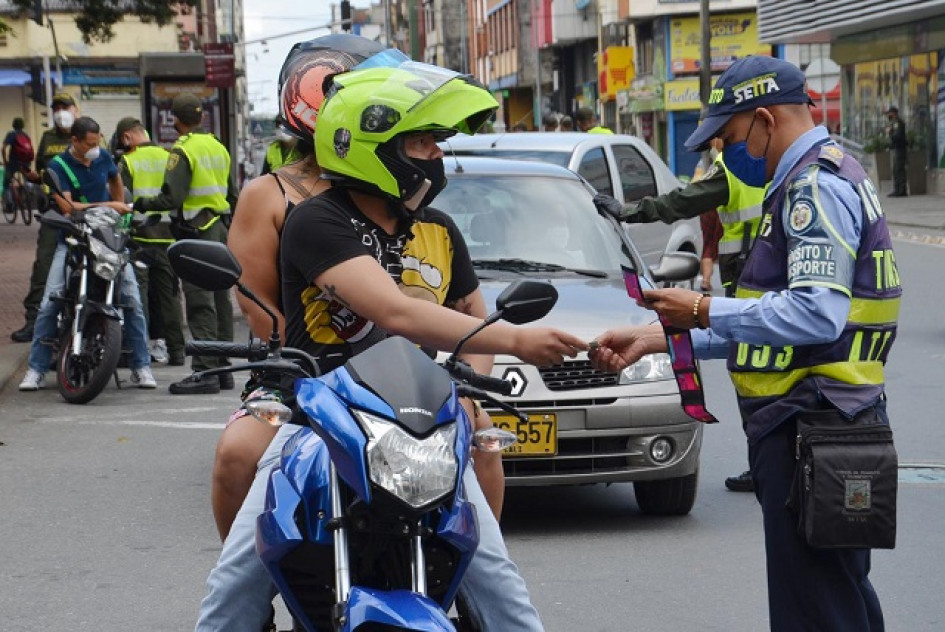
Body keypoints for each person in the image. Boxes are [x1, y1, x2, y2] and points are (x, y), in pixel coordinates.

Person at [195, 60, 587, 632]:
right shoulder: (315, 221)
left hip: (419, 425)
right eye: (422, 141)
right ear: (374, 146)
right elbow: (397, 312)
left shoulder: (440, 230)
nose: (435, 156)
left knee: (501, 590)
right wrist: (521, 341)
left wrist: (472, 388)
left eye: (436, 141)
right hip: (317, 422)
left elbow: (471, 315)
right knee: (233, 590)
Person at [590, 56, 900, 632]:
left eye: (733, 138)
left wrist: (701, 307)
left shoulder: (813, 189)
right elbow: (766, 323)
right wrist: (657, 336)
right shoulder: (825, 175)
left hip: (813, 426)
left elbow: (816, 313)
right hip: (828, 423)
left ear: (764, 119)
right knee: (836, 599)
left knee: (817, 609)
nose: (735, 154)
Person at [18, 116, 156, 391]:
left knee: (132, 301)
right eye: (90, 144)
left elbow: (117, 184)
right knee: (50, 302)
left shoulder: (104, 157)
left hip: (108, 241)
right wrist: (111, 204)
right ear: (75, 141)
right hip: (72, 240)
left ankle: (142, 366)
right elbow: (69, 207)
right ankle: (36, 369)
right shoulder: (58, 166)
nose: (95, 148)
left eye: (97, 142)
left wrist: (120, 207)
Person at [134, 92, 239, 395]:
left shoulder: (182, 151)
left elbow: (172, 197)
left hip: (196, 229)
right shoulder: (218, 148)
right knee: (220, 300)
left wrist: (140, 204)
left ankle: (205, 372)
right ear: (202, 117)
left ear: (175, 120)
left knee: (199, 301)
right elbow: (232, 194)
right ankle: (223, 371)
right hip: (218, 228)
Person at [115, 117, 186, 367]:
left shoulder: (128, 161)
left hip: (139, 237)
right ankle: (177, 352)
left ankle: (139, 352)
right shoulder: (169, 156)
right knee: (169, 297)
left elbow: (121, 199)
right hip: (167, 237)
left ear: (127, 137)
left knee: (138, 296)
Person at [10, 92, 79, 343]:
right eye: (56, 107)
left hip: (81, 212)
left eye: (65, 106)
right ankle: (34, 321)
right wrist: (35, 178)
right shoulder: (48, 138)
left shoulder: (87, 134)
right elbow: (43, 170)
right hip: (54, 213)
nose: (60, 111)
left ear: (75, 109)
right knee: (43, 266)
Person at [2, 117, 34, 202]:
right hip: (26, 162)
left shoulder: (11, 134)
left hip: (13, 163)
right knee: (27, 179)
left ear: (13, 125)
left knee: (6, 183)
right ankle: (29, 192)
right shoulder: (26, 135)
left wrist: (5, 162)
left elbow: (3, 148)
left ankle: (9, 204)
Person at [886, 106, 907, 197]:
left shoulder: (898, 123)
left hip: (899, 149)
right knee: (895, 170)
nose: (888, 115)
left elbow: (898, 137)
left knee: (899, 170)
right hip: (896, 149)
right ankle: (897, 189)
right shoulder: (894, 123)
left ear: (894, 113)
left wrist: (890, 132)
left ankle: (901, 190)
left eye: (890, 113)